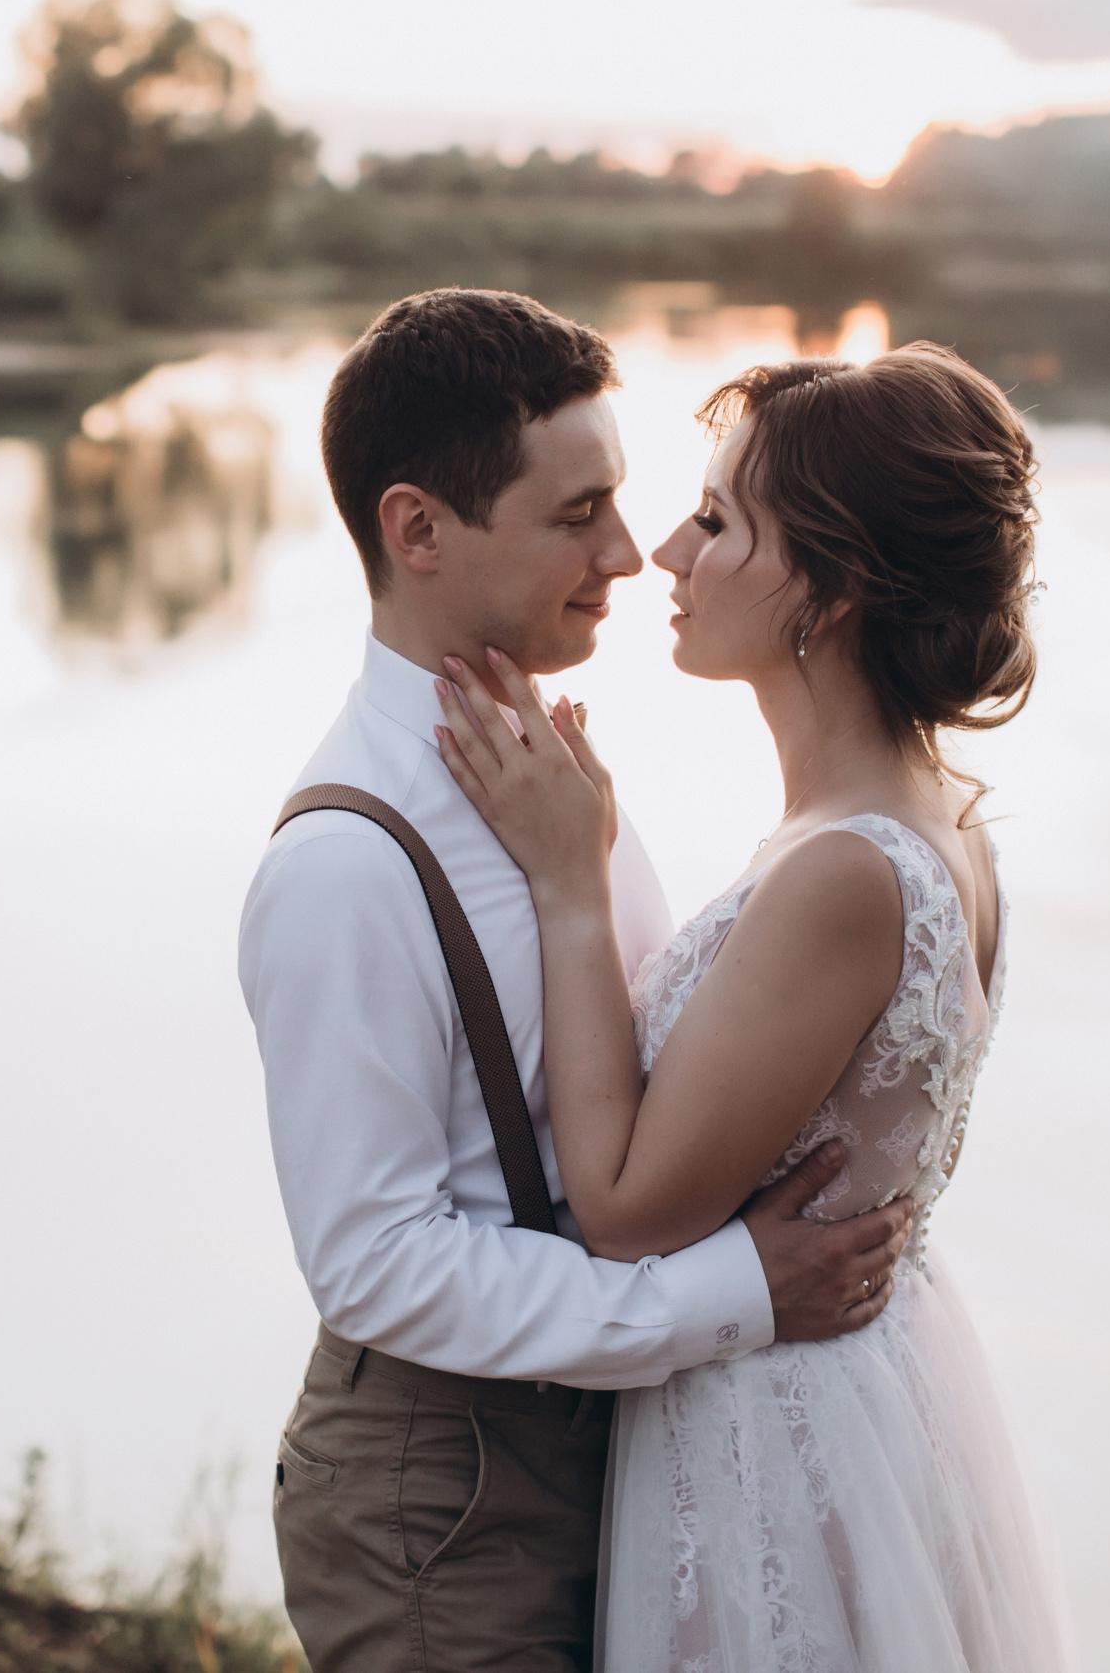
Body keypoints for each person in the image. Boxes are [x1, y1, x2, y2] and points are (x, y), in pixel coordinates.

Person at [238, 288, 917, 1673]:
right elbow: (374, 1263)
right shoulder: (347, 865)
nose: (627, 551)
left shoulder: (554, 778)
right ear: (418, 529)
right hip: (446, 1500)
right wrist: (734, 1294)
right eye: (576, 515)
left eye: (625, 504)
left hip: (606, 1450)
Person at [433, 343, 1067, 1669]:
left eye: (717, 521)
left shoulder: (845, 871)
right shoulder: (936, 824)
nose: (664, 549)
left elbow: (621, 1206)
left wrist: (568, 880)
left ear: (828, 591)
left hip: (778, 1436)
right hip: (865, 1388)